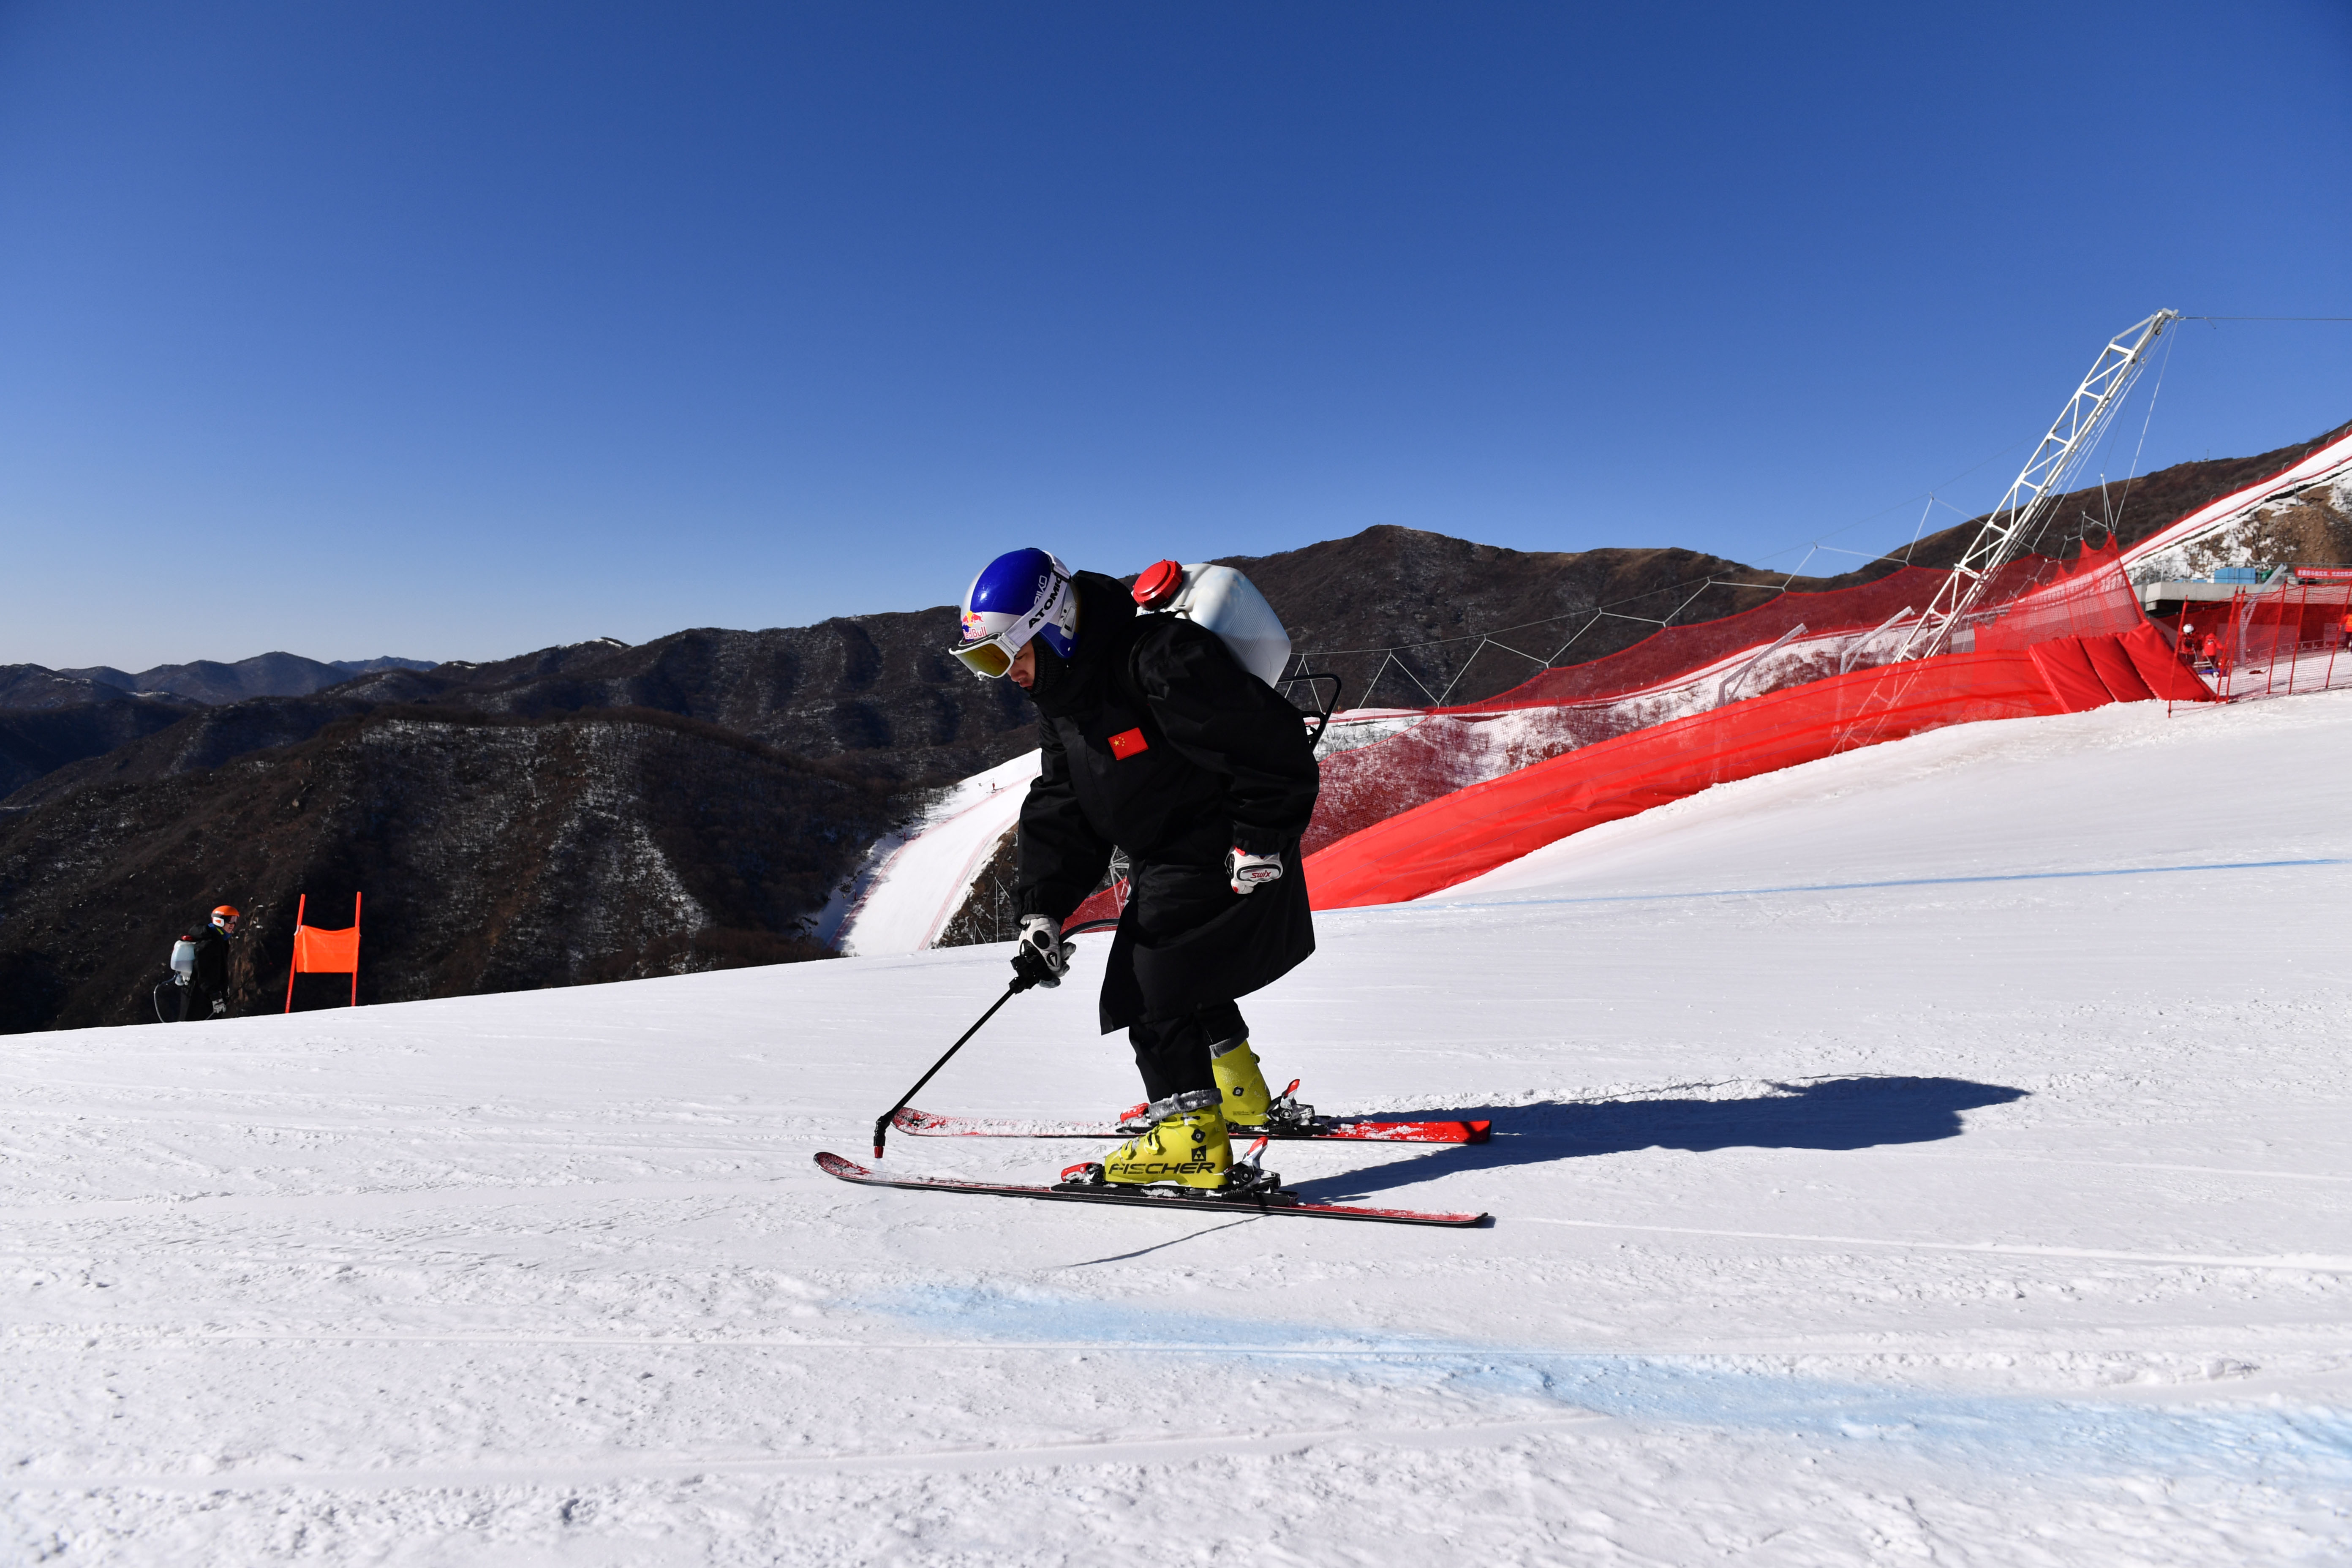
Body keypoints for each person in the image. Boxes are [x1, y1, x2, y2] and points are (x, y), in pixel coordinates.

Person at [951, 547, 1320, 1194]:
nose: (1001, 675)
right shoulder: (1066, 692)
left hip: (1221, 844)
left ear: (1052, 625)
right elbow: (1065, 801)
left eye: (1002, 655)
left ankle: (1189, 1141)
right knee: (1183, 974)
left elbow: (1274, 747)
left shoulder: (1161, 660)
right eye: (985, 663)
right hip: (1162, 851)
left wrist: (1261, 837)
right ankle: (1241, 1094)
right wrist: (1043, 906)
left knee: (1150, 982)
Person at [180, 905, 241, 1021]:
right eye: (230, 920)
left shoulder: (220, 939)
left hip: (206, 994)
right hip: (199, 996)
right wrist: (215, 995)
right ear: (219, 920)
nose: (233, 924)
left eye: (235, 920)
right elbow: (204, 971)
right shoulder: (210, 942)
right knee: (193, 1029)